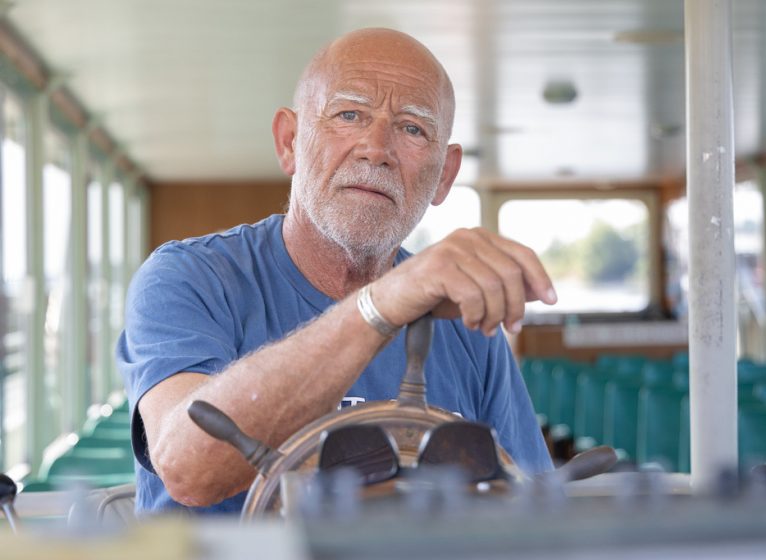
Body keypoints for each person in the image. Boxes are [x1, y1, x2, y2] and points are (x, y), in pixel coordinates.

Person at [117, 27, 558, 515]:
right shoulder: (189, 279)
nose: (377, 149)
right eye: (350, 115)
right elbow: (188, 468)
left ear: (445, 175)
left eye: (413, 128)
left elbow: (532, 513)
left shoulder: (468, 323)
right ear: (289, 142)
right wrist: (381, 305)